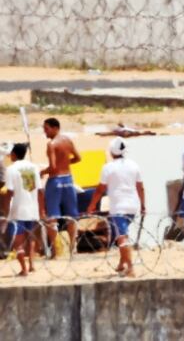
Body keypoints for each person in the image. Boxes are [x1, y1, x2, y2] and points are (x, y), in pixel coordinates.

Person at [86, 138, 144, 278]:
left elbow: (100, 189)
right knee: (122, 234)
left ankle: (130, 267)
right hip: (133, 205)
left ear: (112, 152)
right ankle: (122, 263)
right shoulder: (134, 165)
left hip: (118, 206)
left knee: (122, 237)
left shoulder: (108, 167)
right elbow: (140, 187)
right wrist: (143, 205)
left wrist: (92, 205)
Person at [41, 117, 81, 254]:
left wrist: (42, 171)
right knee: (72, 215)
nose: (44, 132)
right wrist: (65, 163)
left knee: (52, 216)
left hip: (55, 180)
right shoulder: (68, 140)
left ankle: (55, 249)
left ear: (55, 128)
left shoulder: (52, 144)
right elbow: (78, 158)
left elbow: (52, 166)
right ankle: (73, 247)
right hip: (68, 180)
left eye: (46, 128)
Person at [6, 143, 43, 276]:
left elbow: (9, 191)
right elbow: (39, 190)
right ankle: (32, 265)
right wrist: (42, 210)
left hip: (18, 209)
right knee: (30, 238)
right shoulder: (33, 167)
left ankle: (24, 269)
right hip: (32, 208)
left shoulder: (11, 169)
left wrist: (5, 209)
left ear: (14, 154)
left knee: (18, 241)